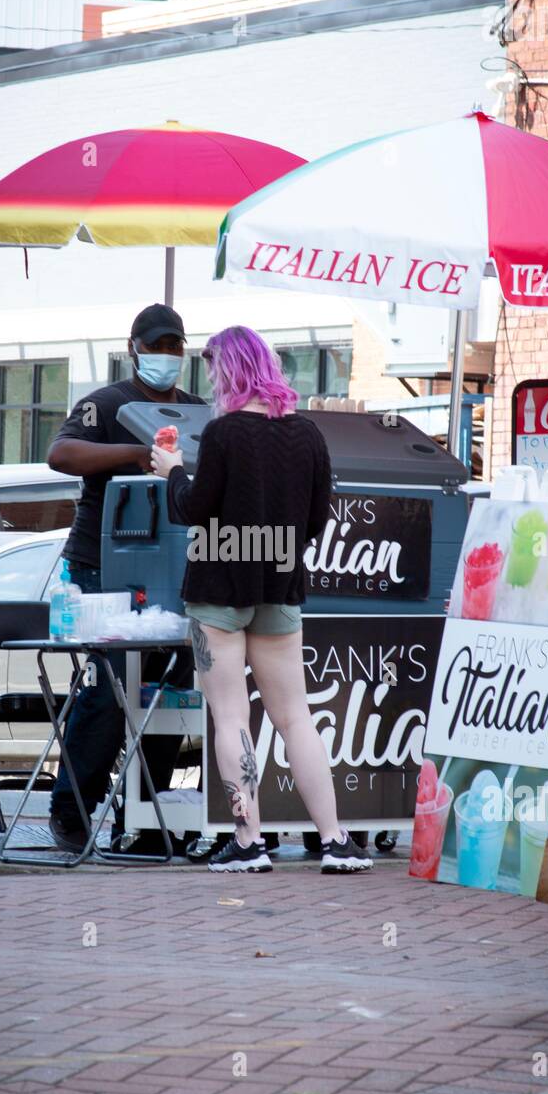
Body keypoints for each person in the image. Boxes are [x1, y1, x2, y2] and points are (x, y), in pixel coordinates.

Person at [150, 325, 372, 875]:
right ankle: (336, 839)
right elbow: (318, 519)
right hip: (280, 585)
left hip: (218, 589)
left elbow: (196, 508)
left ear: (229, 371)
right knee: (297, 717)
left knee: (232, 718)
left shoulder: (224, 434)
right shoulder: (309, 435)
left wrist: (172, 472)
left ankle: (248, 841)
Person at [46, 303, 205, 852]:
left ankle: (143, 816)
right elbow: (60, 453)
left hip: (173, 571)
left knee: (170, 691)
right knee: (110, 690)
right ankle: (72, 808)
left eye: (174, 347)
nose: (165, 356)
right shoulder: (108, 403)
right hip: (102, 566)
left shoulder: (196, 412)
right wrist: (139, 454)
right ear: (134, 346)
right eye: (156, 345)